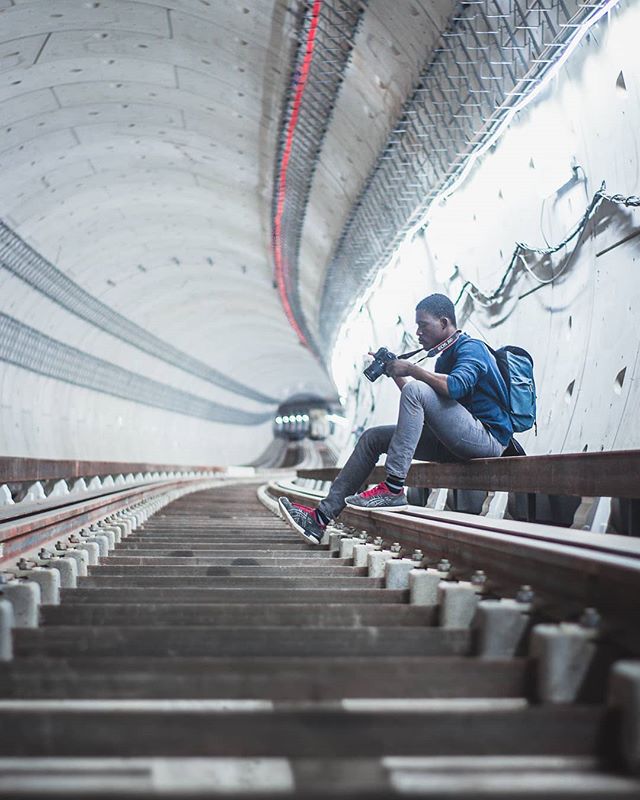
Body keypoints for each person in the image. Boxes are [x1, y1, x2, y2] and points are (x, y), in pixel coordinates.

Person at [279, 293, 513, 544]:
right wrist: (395, 373)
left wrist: (411, 369)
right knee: (373, 438)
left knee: (417, 389)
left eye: (424, 325)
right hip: (457, 439)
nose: (418, 332)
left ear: (444, 323)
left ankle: (392, 488)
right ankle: (320, 519)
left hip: (487, 439)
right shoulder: (445, 357)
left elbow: (456, 386)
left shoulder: (471, 348)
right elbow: (424, 402)